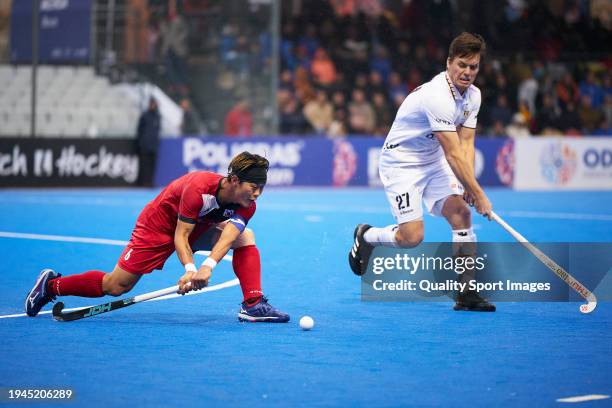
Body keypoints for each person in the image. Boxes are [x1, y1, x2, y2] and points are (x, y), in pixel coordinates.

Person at [25, 152, 290, 323]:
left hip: (200, 225)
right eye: (253, 187)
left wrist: (206, 267)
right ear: (233, 180)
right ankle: (51, 286)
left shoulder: (247, 204)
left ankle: (253, 304)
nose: (256, 194)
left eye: (261, 189)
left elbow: (229, 236)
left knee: (246, 237)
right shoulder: (199, 188)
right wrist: (189, 270)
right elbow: (180, 235)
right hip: (158, 227)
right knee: (116, 286)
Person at [348, 32, 495, 312]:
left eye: (473, 67)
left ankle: (466, 292)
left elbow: (466, 143)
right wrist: (479, 194)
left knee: (461, 214)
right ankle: (366, 236)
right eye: (462, 64)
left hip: (433, 160)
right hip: (401, 163)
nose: (467, 72)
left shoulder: (473, 96)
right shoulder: (436, 96)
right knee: (411, 238)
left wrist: (470, 185)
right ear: (449, 62)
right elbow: (452, 152)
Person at [135, 98, 161, 187]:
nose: (153, 106)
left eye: (155, 104)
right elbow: (139, 130)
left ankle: (150, 182)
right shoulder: (145, 115)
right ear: (149, 104)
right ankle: (142, 183)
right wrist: (141, 143)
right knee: (144, 165)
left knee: (152, 166)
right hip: (145, 145)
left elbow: (158, 130)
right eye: (152, 104)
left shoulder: (158, 116)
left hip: (154, 146)